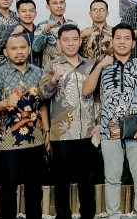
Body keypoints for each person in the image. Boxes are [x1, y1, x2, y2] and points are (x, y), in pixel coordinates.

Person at [82, 23, 137, 219]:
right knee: (112, 177)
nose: (122, 42)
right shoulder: (102, 64)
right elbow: (86, 91)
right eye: (118, 38)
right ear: (112, 41)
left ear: (133, 43)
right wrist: (100, 65)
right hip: (109, 130)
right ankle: (113, 215)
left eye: (127, 38)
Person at [0, 33, 49, 219]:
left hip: (35, 139)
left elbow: (43, 103)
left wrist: (46, 130)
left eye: (22, 47)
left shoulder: (38, 72)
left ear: (28, 50)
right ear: (6, 52)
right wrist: (4, 103)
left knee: (34, 189)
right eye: (13, 48)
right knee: (8, 189)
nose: (19, 52)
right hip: (7, 143)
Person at [43, 25, 100, 219]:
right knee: (61, 181)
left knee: (88, 181)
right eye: (66, 40)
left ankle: (88, 215)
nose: (70, 44)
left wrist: (98, 122)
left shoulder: (90, 65)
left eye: (75, 39)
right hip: (62, 133)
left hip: (88, 132)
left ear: (80, 41)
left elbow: (98, 96)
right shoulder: (51, 66)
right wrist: (54, 79)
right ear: (59, 43)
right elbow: (42, 95)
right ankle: (63, 215)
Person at [35, 0, 76, 68]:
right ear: (48, 6)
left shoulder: (73, 24)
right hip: (51, 70)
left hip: (71, 69)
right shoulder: (42, 26)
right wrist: (46, 30)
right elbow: (36, 48)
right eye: (55, 3)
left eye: (61, 3)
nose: (59, 6)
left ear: (65, 5)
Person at [11, 0, 41, 65]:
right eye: (23, 11)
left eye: (31, 11)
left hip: (39, 70)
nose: (28, 14)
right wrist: (13, 34)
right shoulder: (11, 30)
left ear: (35, 13)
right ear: (17, 14)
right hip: (20, 70)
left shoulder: (40, 31)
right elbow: (3, 50)